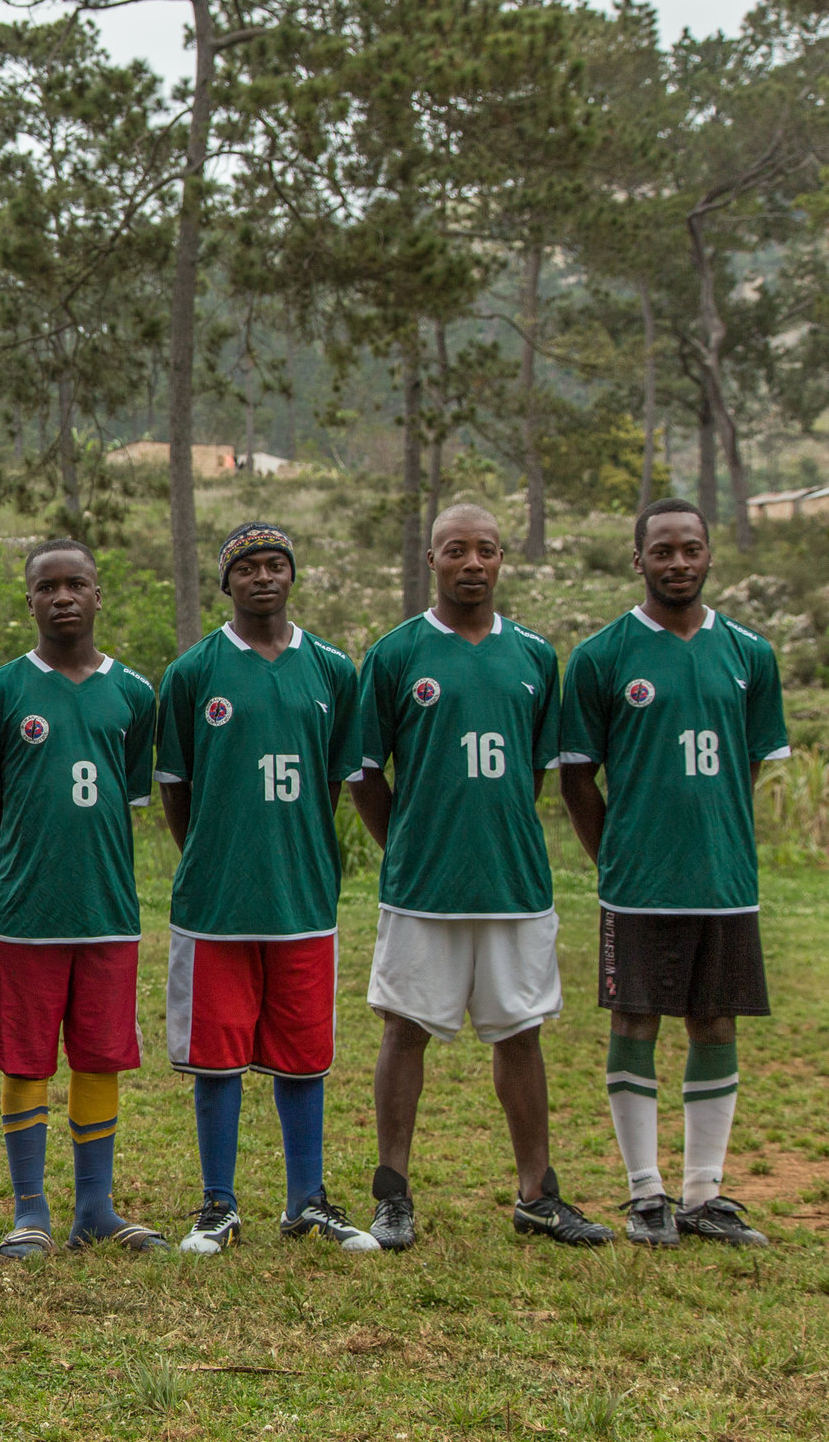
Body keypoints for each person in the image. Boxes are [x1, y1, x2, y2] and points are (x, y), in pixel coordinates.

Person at [348, 505, 614, 1250]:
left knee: (520, 1031)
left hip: (513, 882)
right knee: (405, 1030)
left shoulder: (534, 655)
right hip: (423, 886)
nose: (473, 562)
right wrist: (409, 840)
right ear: (431, 557)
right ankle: (393, 1195)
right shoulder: (397, 653)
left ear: (502, 561)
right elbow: (367, 774)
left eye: (486, 550)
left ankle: (537, 1192)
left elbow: (536, 767)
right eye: (457, 549)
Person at [560, 498, 786, 1248]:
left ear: (709, 554)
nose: (678, 561)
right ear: (638, 560)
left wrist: (711, 833)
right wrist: (619, 852)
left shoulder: (751, 653)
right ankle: (644, 1194)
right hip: (639, 883)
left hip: (724, 880)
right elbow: (578, 779)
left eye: (691, 548)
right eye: (663, 550)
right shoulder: (602, 655)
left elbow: (747, 762)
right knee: (636, 1021)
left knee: (715, 1022)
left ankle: (704, 1194)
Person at [155, 523, 375, 1255]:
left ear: (292, 575)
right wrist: (217, 853)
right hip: (216, 900)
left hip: (303, 896)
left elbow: (339, 780)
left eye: (275, 564)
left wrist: (294, 851)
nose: (262, 577)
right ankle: (217, 1203)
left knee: (302, 1054)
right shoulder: (194, 671)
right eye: (246, 567)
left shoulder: (334, 670)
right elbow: (177, 792)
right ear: (227, 583)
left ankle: (306, 1199)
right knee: (217, 1058)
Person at [0, 539, 166, 1260]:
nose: (62, 597)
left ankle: (95, 1205)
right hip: (27, 914)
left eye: (76, 582)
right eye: (46, 586)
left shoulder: (135, 693)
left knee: (100, 1055)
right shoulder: (1, 691)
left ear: (98, 592)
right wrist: (31, 855)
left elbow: (128, 796)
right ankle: (30, 1208)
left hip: (108, 908)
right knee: (25, 1060)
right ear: (29, 601)